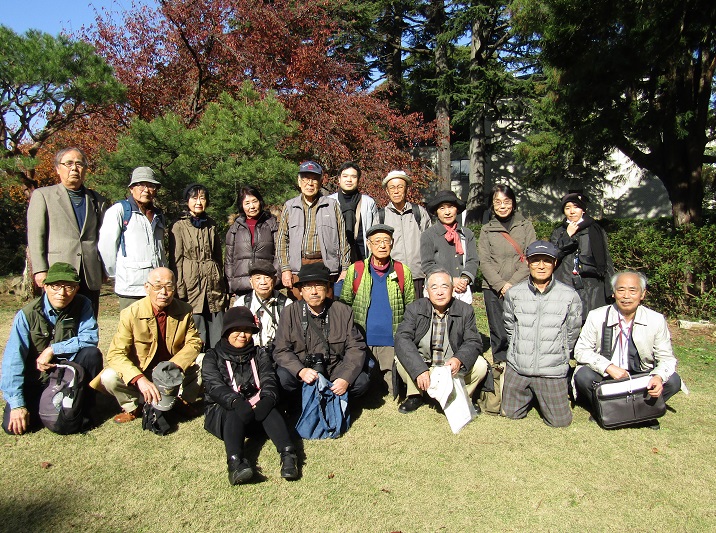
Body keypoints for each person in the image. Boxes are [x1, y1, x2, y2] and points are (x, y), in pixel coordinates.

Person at [1, 262, 103, 434]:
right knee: (14, 427)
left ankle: (84, 410)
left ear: (77, 288)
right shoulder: (26, 315)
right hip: (36, 380)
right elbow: (13, 361)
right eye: (56, 286)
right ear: (46, 287)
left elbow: (90, 338)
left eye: (69, 287)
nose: (62, 293)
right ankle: (47, 406)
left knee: (92, 354)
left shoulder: (83, 304)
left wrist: (52, 350)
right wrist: (18, 404)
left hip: (67, 377)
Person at [573, 271, 683, 429]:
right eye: (621, 290)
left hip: (640, 376)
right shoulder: (596, 316)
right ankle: (638, 413)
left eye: (633, 290)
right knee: (583, 376)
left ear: (642, 294)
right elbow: (581, 350)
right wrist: (608, 367)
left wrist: (658, 377)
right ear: (613, 293)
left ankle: (615, 411)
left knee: (673, 381)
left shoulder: (656, 320)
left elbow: (666, 358)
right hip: (607, 377)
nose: (626, 296)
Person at [202, 306, 299, 485]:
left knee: (270, 408)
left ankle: (288, 455)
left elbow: (269, 378)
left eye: (247, 330)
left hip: (257, 412)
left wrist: (267, 400)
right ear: (226, 331)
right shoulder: (212, 356)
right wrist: (237, 401)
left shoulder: (259, 353)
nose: (242, 335)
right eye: (237, 330)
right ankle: (235, 463)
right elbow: (214, 386)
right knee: (233, 410)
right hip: (225, 415)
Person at [93, 267, 203, 424]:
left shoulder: (184, 310)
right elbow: (116, 354)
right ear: (147, 287)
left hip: (170, 371)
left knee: (203, 361)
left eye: (169, 286)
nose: (163, 292)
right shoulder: (130, 313)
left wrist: (174, 366)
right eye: (157, 286)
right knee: (109, 376)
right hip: (142, 370)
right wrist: (139, 379)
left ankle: (182, 400)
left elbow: (194, 342)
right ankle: (133, 406)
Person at [502, 241, 582, 427]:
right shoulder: (514, 293)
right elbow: (510, 326)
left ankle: (543, 394)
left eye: (546, 261)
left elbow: (572, 331)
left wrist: (560, 354)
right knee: (510, 414)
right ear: (528, 263)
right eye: (535, 260)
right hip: (519, 367)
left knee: (560, 422)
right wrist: (517, 350)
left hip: (552, 370)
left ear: (555, 263)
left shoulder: (569, 295)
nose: (541, 265)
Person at [27, 147, 109, 316]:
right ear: (58, 168)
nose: (74, 168)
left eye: (79, 164)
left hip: (89, 273)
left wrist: (104, 268)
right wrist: (40, 269)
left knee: (88, 321)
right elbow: (36, 236)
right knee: (59, 321)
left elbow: (104, 238)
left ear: (85, 169)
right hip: (58, 272)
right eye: (68, 163)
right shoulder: (43, 195)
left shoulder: (97, 200)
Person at [394, 268, 488, 413]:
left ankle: (459, 397)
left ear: (452, 289)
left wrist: (459, 359)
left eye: (445, 287)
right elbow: (402, 338)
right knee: (400, 358)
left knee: (481, 365)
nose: (439, 292)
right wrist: (419, 370)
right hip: (425, 366)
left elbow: (473, 341)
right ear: (426, 290)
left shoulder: (465, 310)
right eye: (434, 287)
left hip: (449, 370)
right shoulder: (415, 308)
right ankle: (415, 395)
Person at [273, 262, 369, 402]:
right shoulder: (290, 312)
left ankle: (337, 399)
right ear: (300, 290)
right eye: (308, 287)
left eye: (318, 286)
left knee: (361, 381)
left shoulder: (343, 311)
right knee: (283, 377)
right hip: (304, 370)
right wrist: (300, 371)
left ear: (327, 288)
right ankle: (298, 403)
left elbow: (356, 347)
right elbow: (281, 350)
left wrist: (345, 378)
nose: (314, 292)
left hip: (334, 369)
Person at [339, 224, 416, 394]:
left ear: (392, 243)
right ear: (369, 244)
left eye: (386, 241)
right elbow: (345, 305)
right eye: (377, 241)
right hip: (363, 340)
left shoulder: (403, 271)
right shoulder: (356, 269)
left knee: (390, 388)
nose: (382, 245)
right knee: (366, 386)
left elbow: (411, 307)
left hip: (391, 340)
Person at [478, 184, 536, 375]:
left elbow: (531, 257)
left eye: (506, 201)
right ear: (492, 205)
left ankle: (524, 364)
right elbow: (484, 261)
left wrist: (512, 283)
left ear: (513, 203)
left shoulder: (526, 226)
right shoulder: (487, 230)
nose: (502, 206)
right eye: (497, 202)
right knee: (498, 328)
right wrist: (501, 285)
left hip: (521, 285)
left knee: (522, 326)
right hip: (493, 287)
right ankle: (501, 365)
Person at [276, 161, 350, 300]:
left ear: (321, 181)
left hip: (325, 266)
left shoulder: (332, 205)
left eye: (314, 179)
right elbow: (282, 240)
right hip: (298, 266)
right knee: (298, 310)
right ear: (299, 181)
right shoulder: (290, 206)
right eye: (305, 179)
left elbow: (342, 239)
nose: (310, 183)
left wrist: (345, 268)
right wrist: (285, 269)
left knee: (325, 307)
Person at [169, 183, 228, 350]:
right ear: (187, 201)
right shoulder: (178, 226)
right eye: (194, 198)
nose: (198, 202)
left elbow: (218, 256)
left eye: (202, 198)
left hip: (213, 282)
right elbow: (176, 259)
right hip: (191, 283)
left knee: (217, 330)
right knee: (196, 332)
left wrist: (220, 281)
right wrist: (179, 288)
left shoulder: (211, 224)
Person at [98, 167, 166, 310]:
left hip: (158, 287)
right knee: (132, 329)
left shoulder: (158, 214)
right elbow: (107, 247)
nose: (146, 190)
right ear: (131, 188)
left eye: (151, 186)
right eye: (141, 185)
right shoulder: (119, 211)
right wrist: (116, 274)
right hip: (132, 288)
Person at [550, 192, 614, 320]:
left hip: (592, 285)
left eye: (576, 207)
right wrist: (567, 236)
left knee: (592, 323)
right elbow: (553, 255)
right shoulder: (559, 232)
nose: (572, 211)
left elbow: (606, 259)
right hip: (565, 281)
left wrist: (611, 287)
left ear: (583, 210)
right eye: (567, 208)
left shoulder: (595, 230)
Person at [379, 170, 432, 296]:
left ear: (406, 189)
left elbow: (431, 244)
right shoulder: (381, 216)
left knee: (418, 314)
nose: (396, 191)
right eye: (392, 188)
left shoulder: (419, 212)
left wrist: (430, 272)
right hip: (392, 276)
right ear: (387, 191)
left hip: (418, 276)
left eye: (400, 187)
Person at [421, 190, 478, 302]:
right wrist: (450, 280)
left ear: (456, 209)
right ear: (437, 212)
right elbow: (427, 264)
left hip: (461, 289)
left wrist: (464, 280)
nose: (447, 212)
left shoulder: (467, 234)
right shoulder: (428, 235)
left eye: (451, 207)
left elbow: (473, 260)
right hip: (438, 291)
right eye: (442, 208)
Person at [225, 185, 279, 296]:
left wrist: (275, 279)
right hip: (242, 286)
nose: (252, 206)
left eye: (254, 201)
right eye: (247, 203)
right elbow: (229, 260)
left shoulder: (272, 224)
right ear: (242, 206)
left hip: (266, 285)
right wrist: (231, 284)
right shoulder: (235, 228)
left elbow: (280, 255)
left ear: (260, 201)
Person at [233, 259, 291, 352]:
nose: (263, 282)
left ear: (275, 280)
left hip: (278, 354)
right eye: (258, 278)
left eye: (267, 277)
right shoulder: (241, 304)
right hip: (249, 353)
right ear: (251, 282)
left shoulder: (286, 304)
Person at [328, 161, 378, 263]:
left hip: (363, 256)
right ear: (339, 179)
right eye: (345, 176)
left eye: (353, 177)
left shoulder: (368, 202)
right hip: (336, 258)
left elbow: (375, 231)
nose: (349, 180)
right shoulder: (329, 202)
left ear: (358, 180)